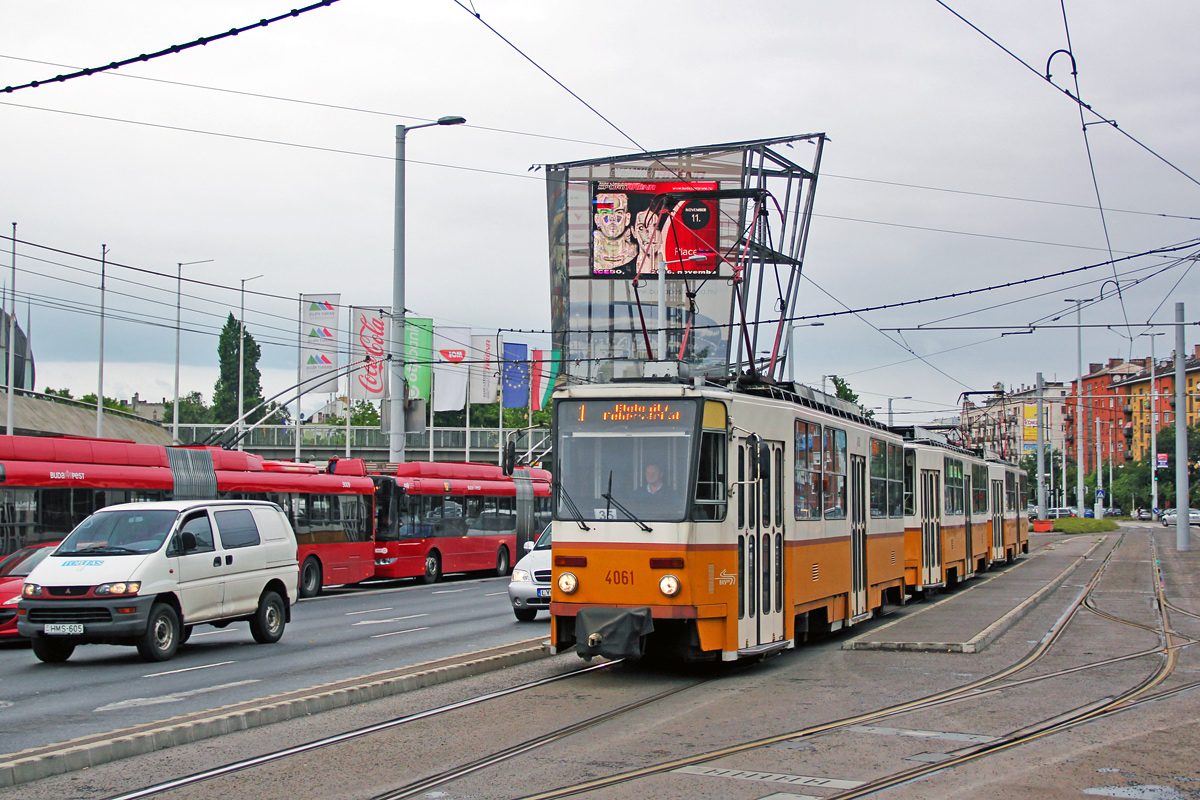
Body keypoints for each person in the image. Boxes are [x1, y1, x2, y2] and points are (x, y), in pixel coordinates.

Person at [592, 192, 638, 275]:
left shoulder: (637, 252)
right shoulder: (590, 256)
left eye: (618, 212)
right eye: (606, 212)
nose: (612, 218)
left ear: (627, 218)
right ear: (597, 219)